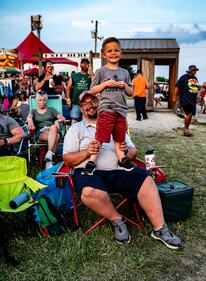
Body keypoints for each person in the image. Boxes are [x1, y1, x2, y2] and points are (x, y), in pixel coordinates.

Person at [62, 91, 183, 249]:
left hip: (120, 170)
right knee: (88, 192)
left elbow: (133, 152)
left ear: (99, 103)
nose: (89, 106)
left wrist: (126, 151)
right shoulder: (76, 129)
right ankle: (118, 220)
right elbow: (67, 159)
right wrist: (86, 152)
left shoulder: (115, 124)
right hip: (90, 173)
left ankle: (160, 229)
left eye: (92, 101)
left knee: (146, 179)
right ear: (81, 109)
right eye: (85, 104)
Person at [83, 37, 135, 176]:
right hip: (106, 110)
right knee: (100, 137)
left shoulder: (125, 73)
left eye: (116, 50)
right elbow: (92, 89)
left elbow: (131, 93)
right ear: (104, 55)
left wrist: (124, 85)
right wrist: (106, 84)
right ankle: (92, 162)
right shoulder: (101, 71)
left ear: (121, 53)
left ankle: (121, 159)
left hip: (121, 111)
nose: (113, 53)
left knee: (119, 138)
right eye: (109, 51)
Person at [27, 91, 65, 169]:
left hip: (52, 130)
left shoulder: (51, 110)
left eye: (44, 100)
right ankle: (49, 160)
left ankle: (49, 155)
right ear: (37, 100)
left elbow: (62, 118)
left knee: (53, 127)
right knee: (57, 136)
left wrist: (57, 121)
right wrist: (30, 120)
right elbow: (29, 117)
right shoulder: (33, 111)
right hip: (41, 133)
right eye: (40, 100)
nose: (42, 102)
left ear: (46, 100)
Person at [174, 65, 200, 137]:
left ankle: (186, 128)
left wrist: (197, 98)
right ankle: (186, 130)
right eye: (194, 70)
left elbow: (196, 89)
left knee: (190, 115)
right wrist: (174, 97)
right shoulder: (184, 77)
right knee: (189, 114)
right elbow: (177, 87)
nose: (195, 71)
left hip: (193, 100)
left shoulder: (195, 78)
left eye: (196, 70)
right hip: (185, 99)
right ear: (190, 70)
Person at [66, 58, 92, 123]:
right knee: (74, 122)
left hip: (87, 104)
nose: (85, 65)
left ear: (89, 65)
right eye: (83, 63)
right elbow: (68, 88)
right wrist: (68, 100)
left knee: (87, 122)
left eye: (87, 63)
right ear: (80, 64)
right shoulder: (74, 75)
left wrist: (91, 74)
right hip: (75, 103)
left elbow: (95, 85)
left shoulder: (90, 76)